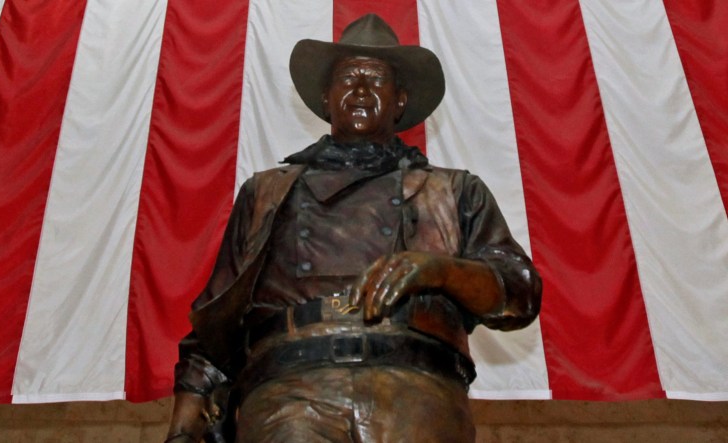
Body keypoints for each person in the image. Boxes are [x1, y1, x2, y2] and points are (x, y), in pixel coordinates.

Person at [166, 14, 541, 443]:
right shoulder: (265, 193)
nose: (361, 90)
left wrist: (440, 271)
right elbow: (218, 321)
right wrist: (183, 426)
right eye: (348, 78)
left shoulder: (454, 191)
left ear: (400, 101)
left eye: (376, 79)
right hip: (289, 394)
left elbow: (520, 293)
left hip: (417, 390)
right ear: (326, 99)